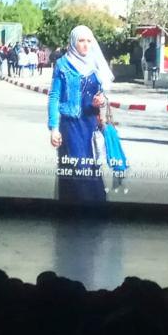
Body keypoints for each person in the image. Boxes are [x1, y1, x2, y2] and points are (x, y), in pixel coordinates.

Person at [48, 25, 116, 202]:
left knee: (92, 167)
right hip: (71, 126)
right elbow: (54, 96)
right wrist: (54, 128)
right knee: (77, 168)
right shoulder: (63, 64)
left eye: (88, 41)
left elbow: (102, 95)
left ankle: (93, 208)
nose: (86, 45)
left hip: (91, 125)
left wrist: (101, 100)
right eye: (81, 41)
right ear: (73, 42)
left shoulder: (95, 64)